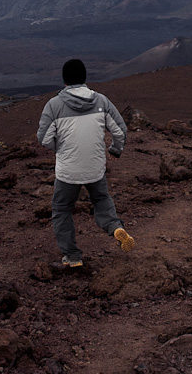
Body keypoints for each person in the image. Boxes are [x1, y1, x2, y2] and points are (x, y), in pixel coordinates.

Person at [36, 58, 135, 267]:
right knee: (101, 199)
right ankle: (115, 227)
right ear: (85, 78)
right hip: (95, 168)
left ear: (64, 80)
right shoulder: (101, 101)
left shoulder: (54, 105)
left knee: (62, 209)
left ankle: (72, 257)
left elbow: (44, 138)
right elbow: (120, 130)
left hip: (67, 172)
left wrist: (61, 149)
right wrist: (115, 150)